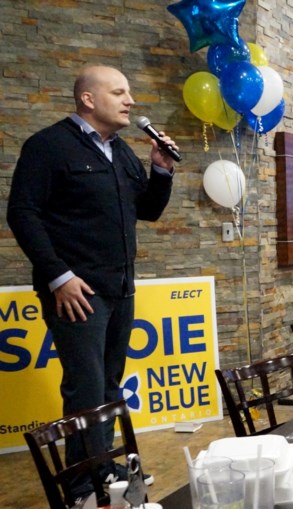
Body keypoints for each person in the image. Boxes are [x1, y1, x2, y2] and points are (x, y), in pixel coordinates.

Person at [7, 65, 177, 480]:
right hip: (77, 289)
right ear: (88, 99)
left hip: (120, 285)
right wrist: (58, 276)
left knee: (108, 386)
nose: (130, 101)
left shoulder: (119, 151)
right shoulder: (48, 146)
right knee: (85, 386)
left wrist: (160, 170)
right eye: (119, 93)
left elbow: (148, 211)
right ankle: (83, 483)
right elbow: (22, 214)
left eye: (129, 93)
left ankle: (102, 467)